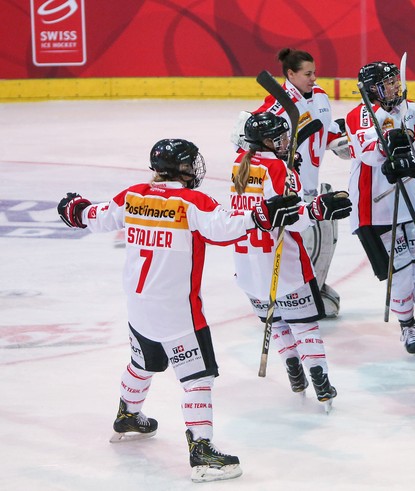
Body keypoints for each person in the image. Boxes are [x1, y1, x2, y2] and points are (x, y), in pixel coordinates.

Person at [57, 138, 301, 482]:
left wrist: (74, 208)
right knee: (197, 378)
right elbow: (224, 228)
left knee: (143, 362)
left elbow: (93, 217)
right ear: (184, 169)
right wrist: (263, 214)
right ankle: (201, 450)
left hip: (138, 305)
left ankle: (128, 414)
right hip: (177, 311)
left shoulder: (133, 195)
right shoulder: (192, 201)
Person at [231, 112, 352, 409]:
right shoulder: (280, 170)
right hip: (283, 263)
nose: (287, 143)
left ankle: (294, 374)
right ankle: (321, 385)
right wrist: (317, 209)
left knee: (280, 325)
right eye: (281, 139)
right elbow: (297, 222)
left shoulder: (239, 165)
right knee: (304, 327)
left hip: (248, 269)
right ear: (267, 142)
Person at [346, 60, 415, 357]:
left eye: (396, 81)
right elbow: (370, 154)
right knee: (402, 271)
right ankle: (406, 325)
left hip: (408, 200)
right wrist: (391, 143)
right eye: (389, 83)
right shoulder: (360, 115)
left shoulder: (408, 109)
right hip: (375, 208)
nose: (396, 86)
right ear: (373, 90)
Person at [249, 48, 348, 317]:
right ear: (290, 74)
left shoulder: (320, 97)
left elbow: (323, 133)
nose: (314, 78)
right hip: (290, 191)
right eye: (307, 74)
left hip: (313, 185)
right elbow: (248, 140)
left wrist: (338, 143)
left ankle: (313, 291)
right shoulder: (274, 107)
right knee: (297, 249)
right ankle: (290, 298)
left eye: (314, 72)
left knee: (326, 238)